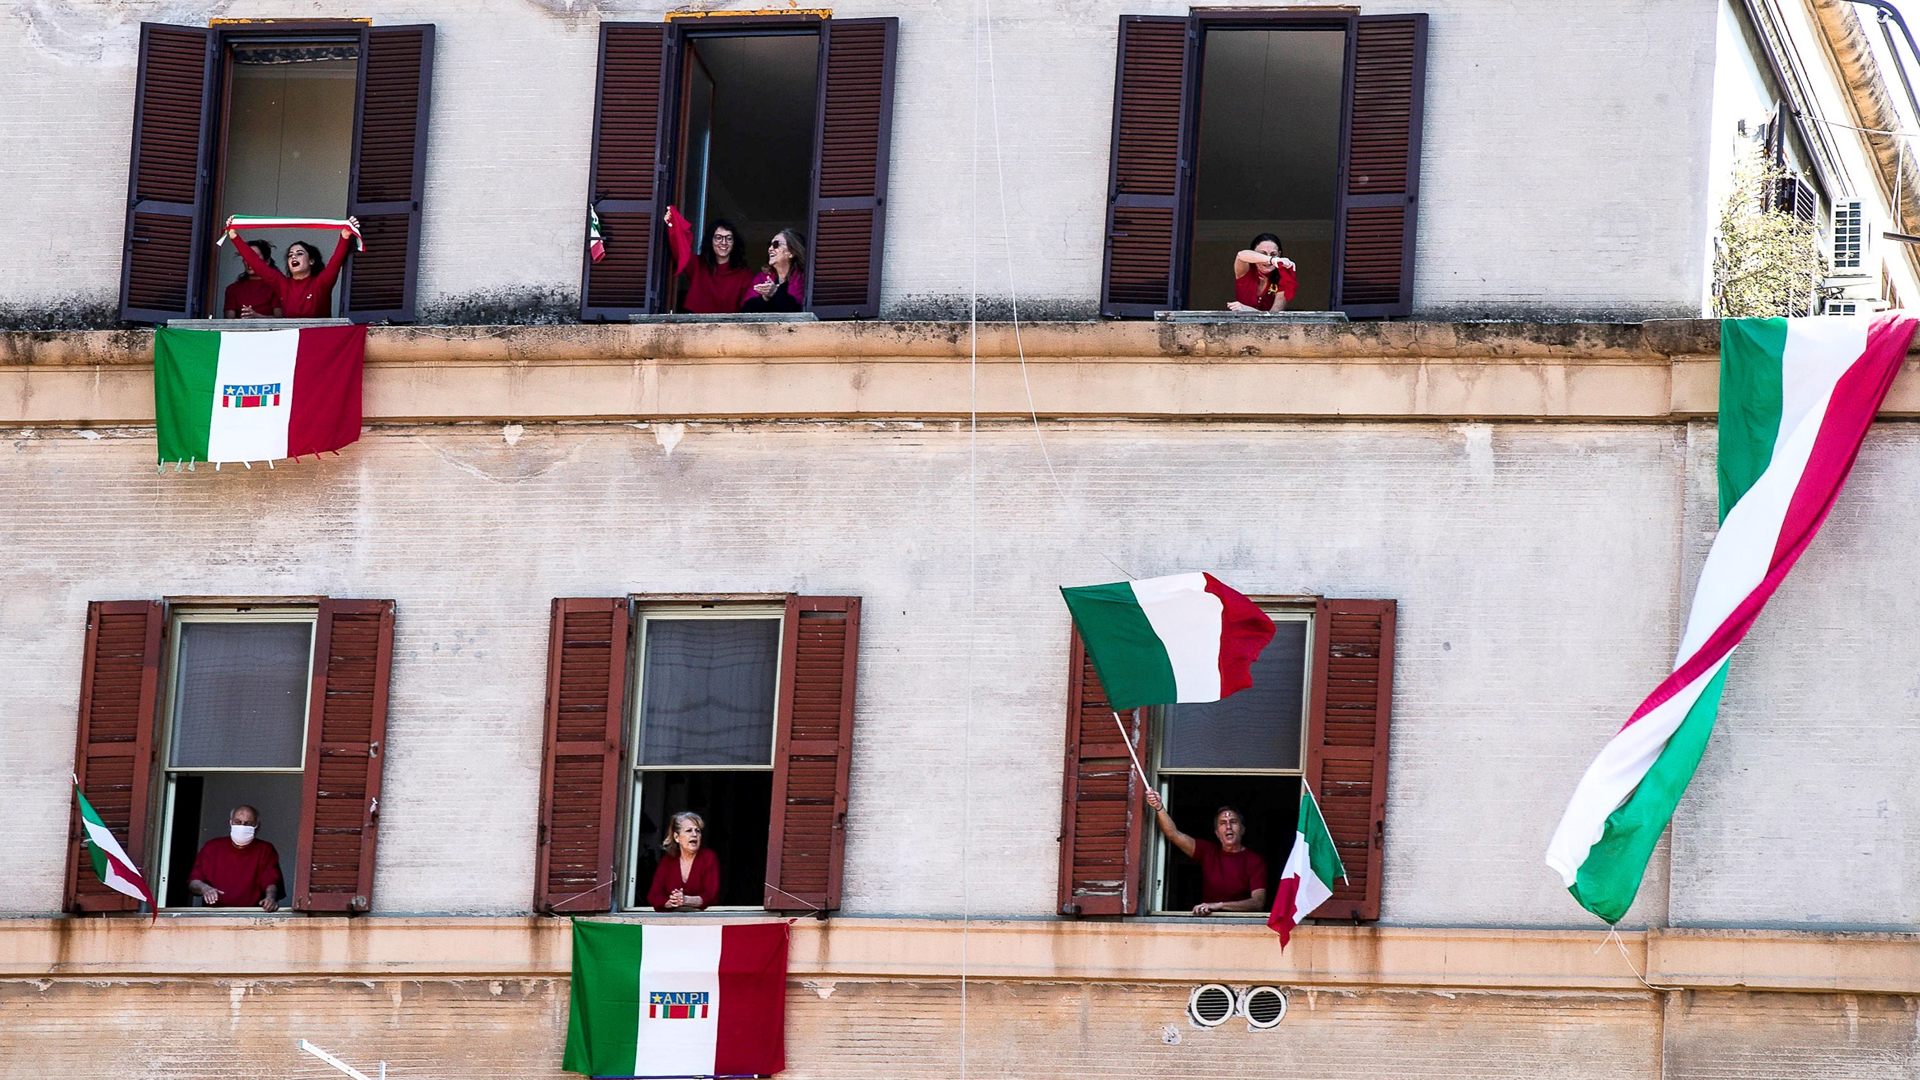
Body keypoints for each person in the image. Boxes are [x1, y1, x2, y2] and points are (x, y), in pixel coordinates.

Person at [1144, 791, 1269, 915]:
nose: (1228, 827)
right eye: (1223, 823)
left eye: (1233, 822)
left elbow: (1258, 903)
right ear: (1217, 833)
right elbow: (1173, 834)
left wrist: (1219, 905)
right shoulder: (1207, 851)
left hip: (1242, 925)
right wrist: (1159, 807)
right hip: (1209, 923)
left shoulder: (1254, 861)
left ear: (1243, 830)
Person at [227, 218, 359, 319]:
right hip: (291, 345)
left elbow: (335, 263)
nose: (293, 257)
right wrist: (234, 237)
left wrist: (344, 236)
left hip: (319, 340)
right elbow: (257, 264)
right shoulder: (282, 284)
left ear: (311, 261)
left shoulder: (320, 284)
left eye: (299, 254)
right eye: (290, 255)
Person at [186, 805, 283, 911]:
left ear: (257, 827)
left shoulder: (265, 850)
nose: (242, 826)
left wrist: (270, 898)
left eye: (248, 823)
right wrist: (204, 889)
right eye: (238, 822)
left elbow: (271, 881)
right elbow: (194, 881)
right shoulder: (212, 847)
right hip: (214, 914)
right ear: (230, 823)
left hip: (251, 915)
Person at [663, 207, 756, 314]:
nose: (724, 243)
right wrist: (672, 224)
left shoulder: (744, 275)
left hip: (730, 328)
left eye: (729, 238)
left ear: (734, 243)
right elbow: (679, 250)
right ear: (710, 241)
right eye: (718, 237)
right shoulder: (697, 265)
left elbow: (749, 308)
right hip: (696, 326)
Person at [647, 810, 721, 912]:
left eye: (697, 831)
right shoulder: (668, 860)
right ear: (677, 837)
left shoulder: (708, 857)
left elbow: (712, 895)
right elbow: (654, 895)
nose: (694, 834)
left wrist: (685, 900)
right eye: (688, 830)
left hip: (703, 920)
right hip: (671, 920)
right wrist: (670, 902)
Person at [1227, 232, 1298, 312]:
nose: (1268, 260)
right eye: (1263, 254)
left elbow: (1274, 318)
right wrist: (1273, 260)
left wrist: (1248, 310)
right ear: (1254, 253)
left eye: (1273, 254)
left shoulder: (1283, 278)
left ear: (1279, 254)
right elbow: (1241, 255)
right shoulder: (1246, 271)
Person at [741, 229, 806, 312]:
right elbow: (745, 311)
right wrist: (764, 298)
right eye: (770, 245)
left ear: (792, 253)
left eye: (776, 244)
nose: (770, 249)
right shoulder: (762, 278)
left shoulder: (803, 279)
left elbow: (800, 311)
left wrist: (775, 292)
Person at [223, 240, 281, 319]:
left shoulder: (276, 286)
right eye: (246, 256)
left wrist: (257, 317)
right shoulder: (233, 289)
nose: (250, 260)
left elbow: (280, 319)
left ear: (267, 261)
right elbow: (228, 322)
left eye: (254, 256)